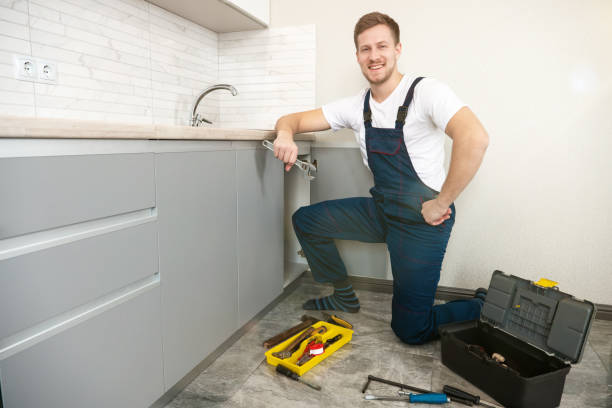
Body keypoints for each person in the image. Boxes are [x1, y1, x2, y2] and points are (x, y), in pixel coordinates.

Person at [272, 11, 489, 345]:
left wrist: (442, 202)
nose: (374, 55)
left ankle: (480, 307)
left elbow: (474, 138)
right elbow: (291, 119)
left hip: (423, 222)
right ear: (358, 56)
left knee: (410, 330)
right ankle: (344, 295)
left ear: (398, 49)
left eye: (381, 46)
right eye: (365, 49)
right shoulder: (356, 106)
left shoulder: (426, 92)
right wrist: (285, 135)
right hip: (383, 211)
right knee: (306, 220)